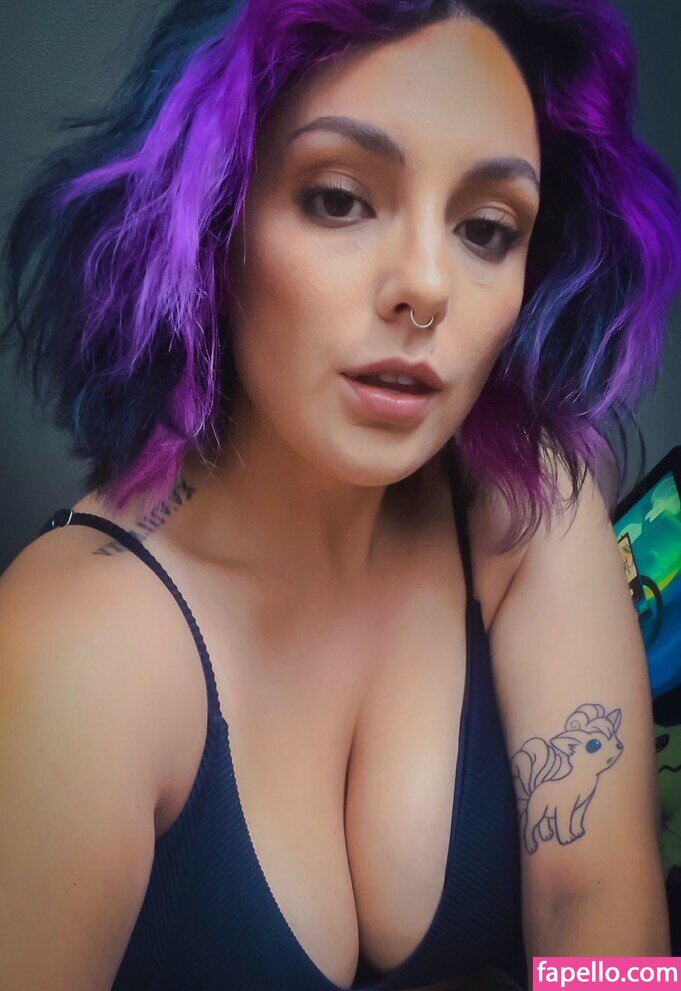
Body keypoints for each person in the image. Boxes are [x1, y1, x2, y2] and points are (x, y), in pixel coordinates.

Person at [1, 1, 679, 989]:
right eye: (338, 199)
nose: (426, 286)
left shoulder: (527, 506)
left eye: (486, 228)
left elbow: (604, 923)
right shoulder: (72, 643)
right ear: (211, 221)